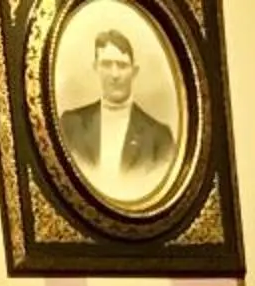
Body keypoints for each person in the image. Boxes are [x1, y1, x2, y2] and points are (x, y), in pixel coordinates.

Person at [60, 19, 177, 207]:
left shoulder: (159, 137)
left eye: (122, 65)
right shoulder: (71, 125)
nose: (114, 75)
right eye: (107, 64)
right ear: (96, 67)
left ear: (134, 71)